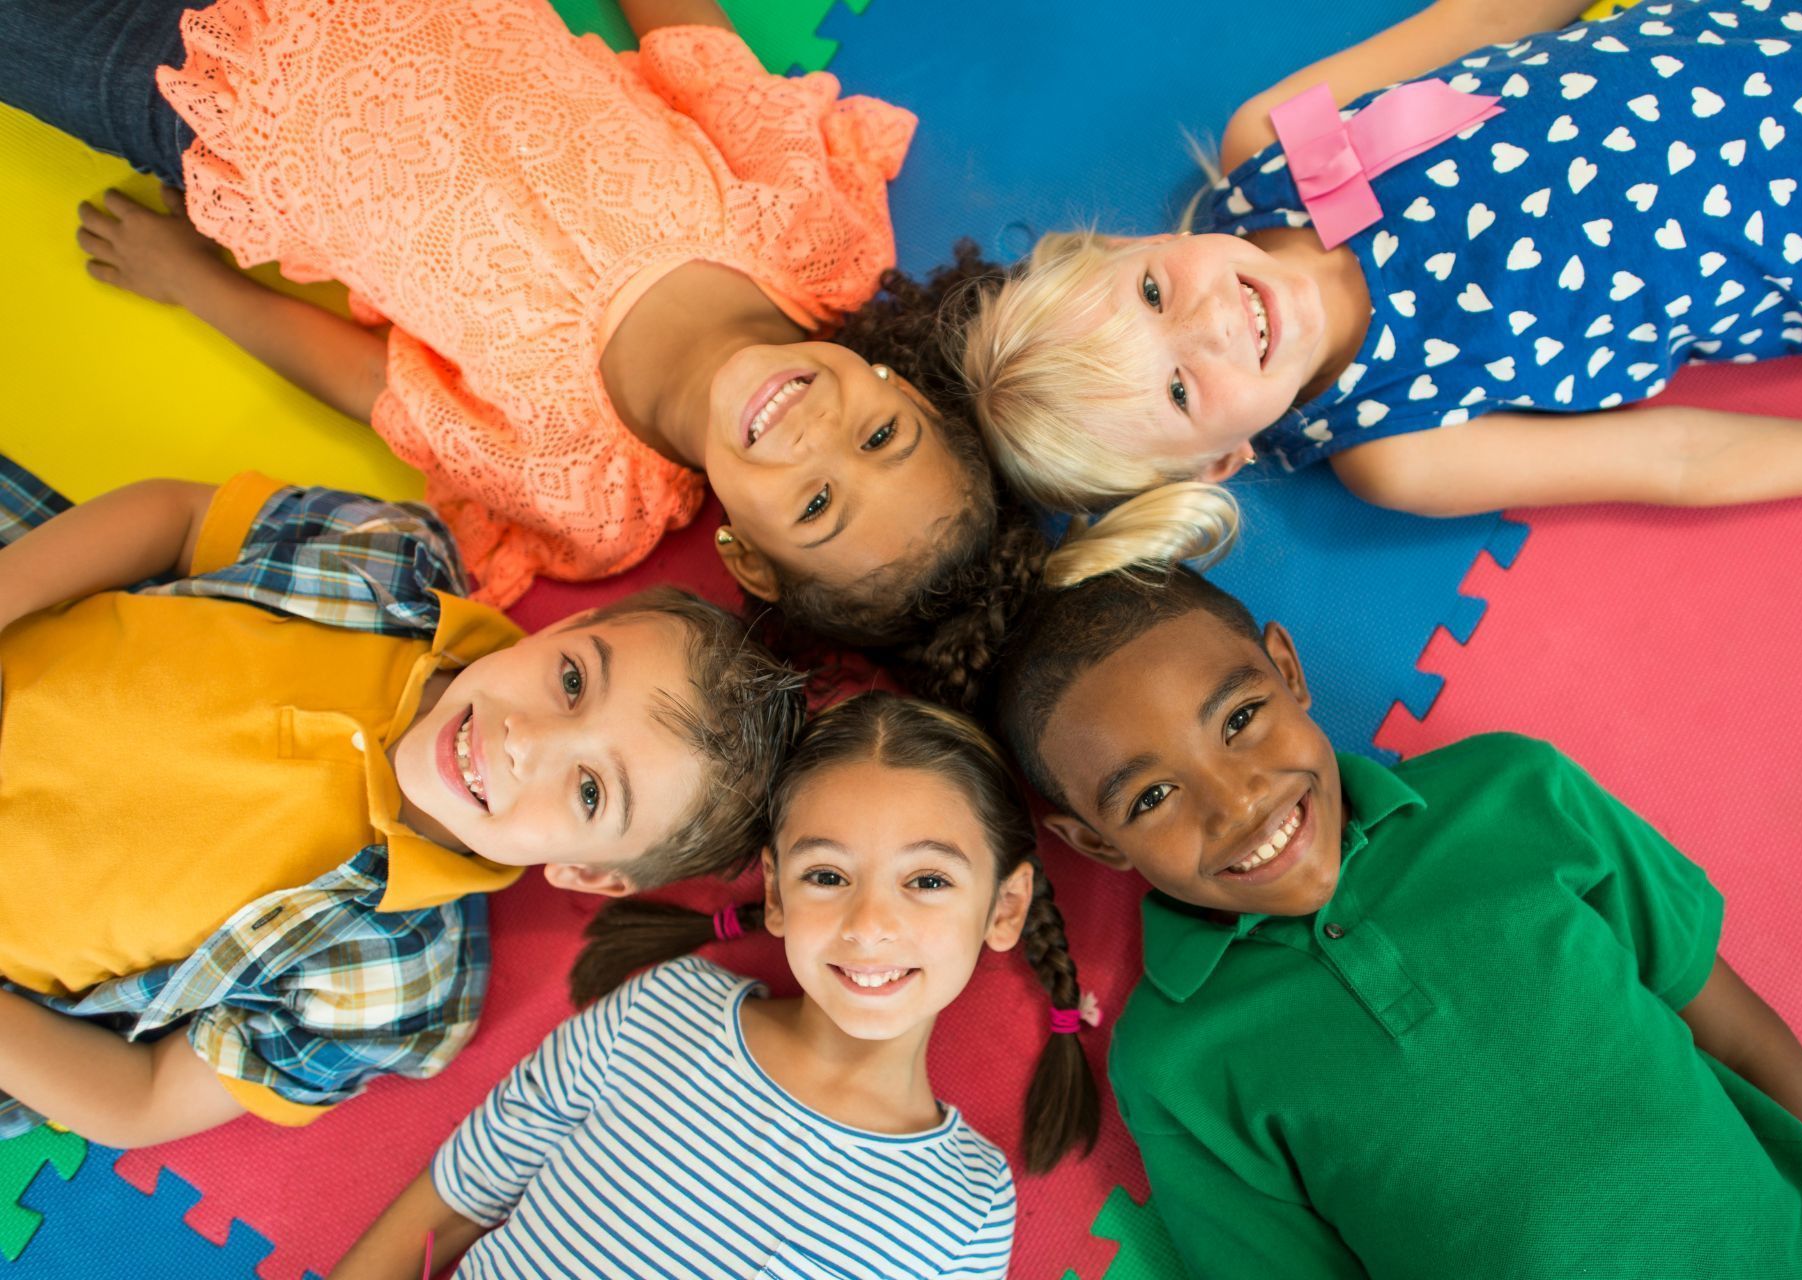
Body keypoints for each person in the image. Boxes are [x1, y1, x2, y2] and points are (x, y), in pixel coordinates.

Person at [990, 566, 1802, 1278]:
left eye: (1240, 719)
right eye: (1152, 794)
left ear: (1288, 669)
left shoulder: (1515, 791)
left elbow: (1743, 1035)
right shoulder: (1174, 1063)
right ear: (1095, 843)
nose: (1236, 802)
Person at [0, 0, 999, 652]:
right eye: (881, 437)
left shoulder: (588, 493)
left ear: (749, 555)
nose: (814, 437)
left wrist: (197, 286)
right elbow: (696, 50)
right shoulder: (811, 241)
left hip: (208, 100)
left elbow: (377, 385)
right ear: (899, 387)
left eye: (819, 504)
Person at [0, 457, 804, 1147]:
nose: (528, 740)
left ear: (591, 873)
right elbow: (181, 517)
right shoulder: (392, 562)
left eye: (591, 791)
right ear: (576, 624)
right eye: (572, 681)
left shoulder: (393, 981)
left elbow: (142, 1100)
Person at [962, 0, 1802, 548]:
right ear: (1219, 463)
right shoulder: (1398, 445)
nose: (1209, 324)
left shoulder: (1273, 148)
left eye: (1154, 295)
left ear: (1135, 247)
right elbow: (1677, 458)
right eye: (1178, 387)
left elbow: (1492, 16)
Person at [331, 692, 1098, 1279]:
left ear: (1003, 907)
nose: (870, 924)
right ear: (775, 892)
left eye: (927, 880)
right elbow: (461, 1189)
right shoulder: (664, 1009)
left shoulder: (966, 1206)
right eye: (826, 876)